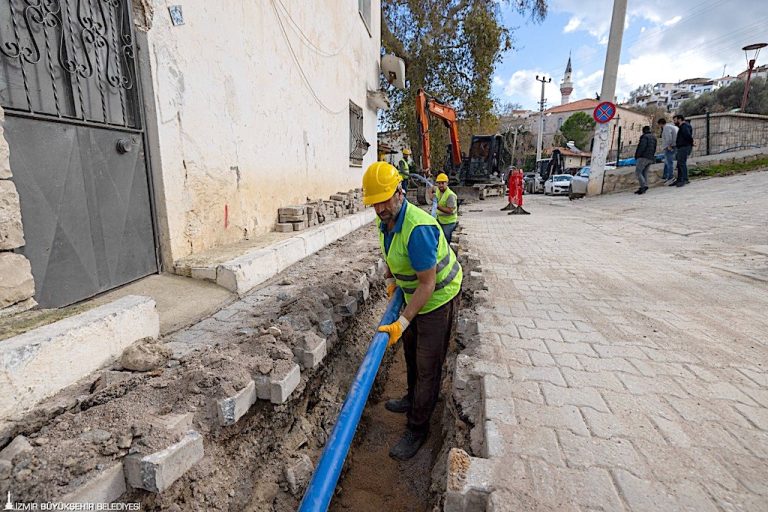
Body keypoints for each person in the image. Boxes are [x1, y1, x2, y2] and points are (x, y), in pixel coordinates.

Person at [361, 161, 462, 461]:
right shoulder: (385, 222)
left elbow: (427, 285)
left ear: (399, 192)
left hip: (437, 298)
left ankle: (418, 428)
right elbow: (391, 256)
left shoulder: (417, 228)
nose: (379, 208)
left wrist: (402, 321)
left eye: (384, 200)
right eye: (374, 203)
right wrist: (393, 282)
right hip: (412, 295)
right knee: (410, 354)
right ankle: (411, 397)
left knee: (428, 365)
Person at [433, 173, 458, 244]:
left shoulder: (450, 195)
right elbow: (431, 188)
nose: (440, 185)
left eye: (442, 183)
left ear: (447, 183)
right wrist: (431, 196)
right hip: (440, 220)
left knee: (446, 241)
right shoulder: (438, 190)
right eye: (439, 183)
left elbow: (450, 210)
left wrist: (437, 206)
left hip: (448, 223)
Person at [670, 115, 693, 187]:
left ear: (679, 119)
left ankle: (685, 179)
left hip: (684, 147)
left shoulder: (684, 126)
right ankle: (679, 179)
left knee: (682, 163)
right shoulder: (683, 127)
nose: (674, 122)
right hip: (681, 147)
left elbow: (688, 136)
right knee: (679, 163)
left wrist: (691, 143)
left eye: (675, 120)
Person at [634, 126, 657, 195]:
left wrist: (637, 155)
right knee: (644, 172)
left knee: (638, 172)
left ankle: (643, 186)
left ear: (643, 131)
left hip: (643, 157)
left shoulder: (644, 137)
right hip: (650, 157)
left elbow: (642, 147)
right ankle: (644, 186)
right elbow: (655, 148)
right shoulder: (654, 137)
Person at [657, 118, 678, 183]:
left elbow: (668, 137)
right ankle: (665, 176)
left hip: (670, 146)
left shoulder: (666, 127)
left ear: (660, 124)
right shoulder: (672, 126)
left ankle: (670, 178)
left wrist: (669, 145)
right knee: (667, 162)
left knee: (669, 162)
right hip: (675, 145)